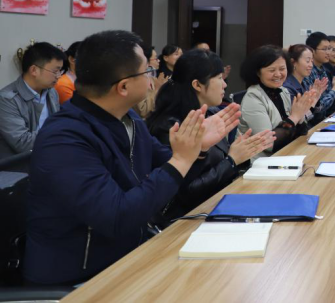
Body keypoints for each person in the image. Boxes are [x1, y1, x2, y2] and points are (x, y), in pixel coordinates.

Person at [24, 30, 241, 285]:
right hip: (83, 276)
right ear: (124, 87)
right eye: (147, 71)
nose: (153, 79)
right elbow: (117, 218)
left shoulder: (128, 118)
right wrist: (182, 160)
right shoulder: (64, 139)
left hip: (131, 253)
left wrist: (197, 149)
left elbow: (172, 171)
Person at [147, 49, 274, 225]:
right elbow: (186, 193)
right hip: (185, 222)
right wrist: (232, 160)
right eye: (219, 78)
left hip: (216, 205)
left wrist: (240, 155)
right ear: (197, 85)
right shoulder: (172, 127)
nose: (225, 85)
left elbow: (218, 167)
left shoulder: (209, 114)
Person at [238, 46, 320, 160]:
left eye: (282, 69)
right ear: (257, 72)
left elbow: (301, 132)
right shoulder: (253, 98)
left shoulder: (282, 91)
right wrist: (295, 117)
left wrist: (301, 114)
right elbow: (269, 144)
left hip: (287, 155)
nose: (278, 74)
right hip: (260, 162)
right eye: (271, 70)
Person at [0, 42, 65, 158]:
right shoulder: (6, 99)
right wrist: (61, 132)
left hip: (50, 155)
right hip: (21, 164)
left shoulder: (51, 92)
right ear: (34, 70)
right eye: (55, 71)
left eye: (60, 71)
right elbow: (22, 143)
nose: (59, 76)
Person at [304, 32, 335, 119]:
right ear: (312, 51)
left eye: (329, 49)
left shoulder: (323, 69)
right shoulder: (308, 72)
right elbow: (318, 108)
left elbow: (331, 102)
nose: (328, 53)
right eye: (325, 49)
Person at [284, 45, 328, 125]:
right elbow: (299, 122)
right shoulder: (287, 88)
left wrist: (316, 101)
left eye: (312, 61)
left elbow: (317, 119)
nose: (311, 65)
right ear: (293, 62)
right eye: (307, 61)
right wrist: (312, 104)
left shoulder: (305, 84)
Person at [134, 43, 167, 119]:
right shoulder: (138, 80)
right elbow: (143, 111)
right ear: (145, 61)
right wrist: (158, 89)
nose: (158, 60)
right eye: (155, 58)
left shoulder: (153, 78)